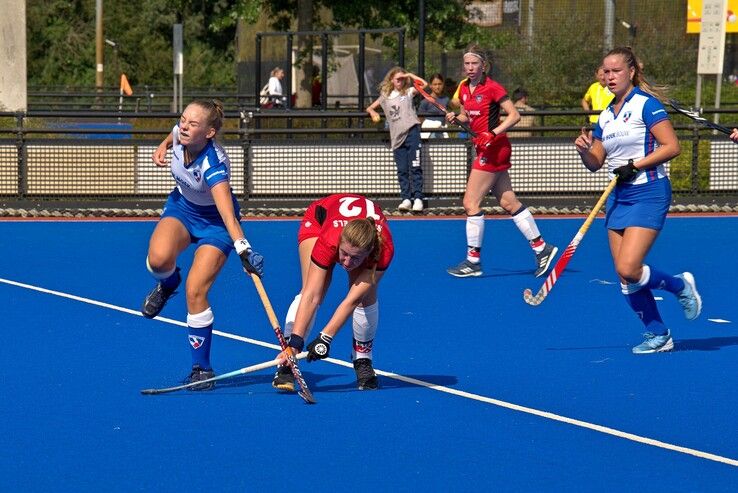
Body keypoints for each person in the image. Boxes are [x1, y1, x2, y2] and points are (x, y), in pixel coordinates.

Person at [574, 47, 702, 354]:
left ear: (631, 72)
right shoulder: (605, 115)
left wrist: (635, 165)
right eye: (605, 71)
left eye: (616, 70)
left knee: (631, 267)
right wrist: (584, 149)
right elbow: (596, 162)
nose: (609, 76)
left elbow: (672, 146)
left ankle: (680, 286)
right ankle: (658, 334)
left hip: (649, 192)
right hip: (619, 196)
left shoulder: (647, 105)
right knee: (623, 275)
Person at [145, 99, 265, 388]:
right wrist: (163, 145)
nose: (184, 126)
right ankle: (167, 283)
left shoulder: (214, 166)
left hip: (216, 224)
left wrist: (243, 248)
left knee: (196, 290)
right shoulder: (181, 132)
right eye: (183, 119)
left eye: (193, 124)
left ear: (209, 133)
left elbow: (226, 213)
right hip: (182, 208)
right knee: (158, 261)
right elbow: (174, 132)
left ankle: (202, 368)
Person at [444, 44, 558, 278]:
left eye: (475, 63)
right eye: (466, 64)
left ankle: (473, 262)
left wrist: (493, 133)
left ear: (484, 66)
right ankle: (542, 248)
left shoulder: (493, 88)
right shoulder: (464, 88)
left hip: (494, 149)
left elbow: (515, 115)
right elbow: (468, 115)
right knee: (509, 202)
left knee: (470, 203)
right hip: (483, 147)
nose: (470, 68)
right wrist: (457, 117)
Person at [272, 193, 394, 391]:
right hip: (320, 220)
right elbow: (312, 295)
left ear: (370, 251)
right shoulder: (329, 240)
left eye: (355, 258)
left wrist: (325, 337)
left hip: (362, 238)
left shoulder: (383, 250)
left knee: (365, 297)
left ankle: (363, 360)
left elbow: (352, 300)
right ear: (339, 243)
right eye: (343, 254)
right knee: (312, 288)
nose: (346, 263)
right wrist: (296, 343)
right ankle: (288, 359)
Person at [366, 67, 428, 212]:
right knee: (402, 169)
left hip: (412, 133)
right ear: (392, 80)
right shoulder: (385, 96)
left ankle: (418, 198)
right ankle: (406, 198)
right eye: (397, 78)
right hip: (396, 137)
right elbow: (370, 107)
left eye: (402, 78)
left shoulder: (408, 92)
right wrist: (373, 112)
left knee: (415, 166)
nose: (400, 81)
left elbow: (424, 85)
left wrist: (409, 74)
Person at [418, 73, 450, 139]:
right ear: (430, 85)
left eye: (439, 84)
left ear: (443, 84)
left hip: (442, 132)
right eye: (435, 84)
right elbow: (420, 120)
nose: (437, 87)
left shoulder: (446, 100)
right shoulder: (425, 101)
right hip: (428, 134)